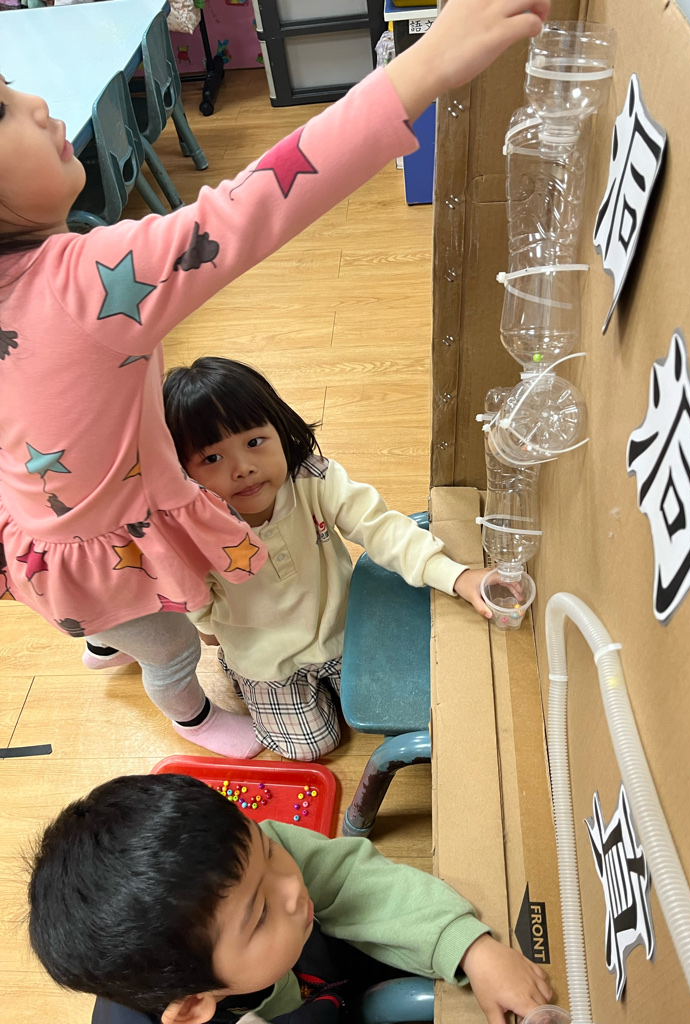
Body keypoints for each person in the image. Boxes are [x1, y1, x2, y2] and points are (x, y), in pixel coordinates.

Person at [0, 0, 550, 758]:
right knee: (168, 646)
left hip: (45, 536)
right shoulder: (86, 282)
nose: (36, 102)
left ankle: (103, 633)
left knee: (121, 615)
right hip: (90, 546)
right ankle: (188, 713)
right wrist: (425, 66)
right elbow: (250, 208)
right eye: (3, 108)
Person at [157, 357, 490, 759]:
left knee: (402, 699)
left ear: (280, 429)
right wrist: (207, 627)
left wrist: (456, 576)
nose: (243, 468)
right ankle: (235, 669)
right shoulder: (191, 529)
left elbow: (380, 527)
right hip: (265, 658)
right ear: (181, 474)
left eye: (254, 442)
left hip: (342, 627)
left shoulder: (313, 478)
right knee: (313, 747)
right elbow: (189, 592)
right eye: (212, 459)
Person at [28, 773, 554, 1024]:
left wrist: (470, 948)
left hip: (344, 977)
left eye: (270, 851)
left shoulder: (243, 866)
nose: (293, 888)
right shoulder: (174, 954)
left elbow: (357, 882)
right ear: (191, 1006)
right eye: (259, 916)